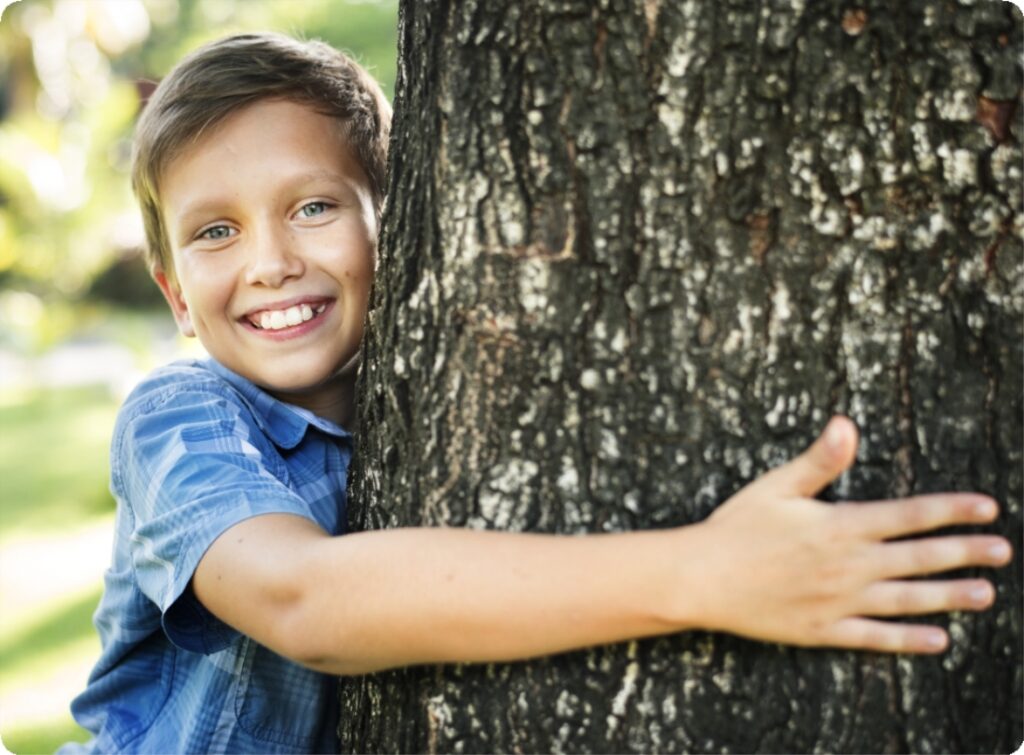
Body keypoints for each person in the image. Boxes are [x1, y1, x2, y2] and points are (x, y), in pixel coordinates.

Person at [61, 32, 1013, 754]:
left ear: (407, 225)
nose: (270, 262)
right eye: (215, 232)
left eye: (314, 207)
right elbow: (307, 602)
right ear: (174, 293)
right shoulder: (181, 420)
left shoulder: (422, 389)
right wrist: (709, 573)